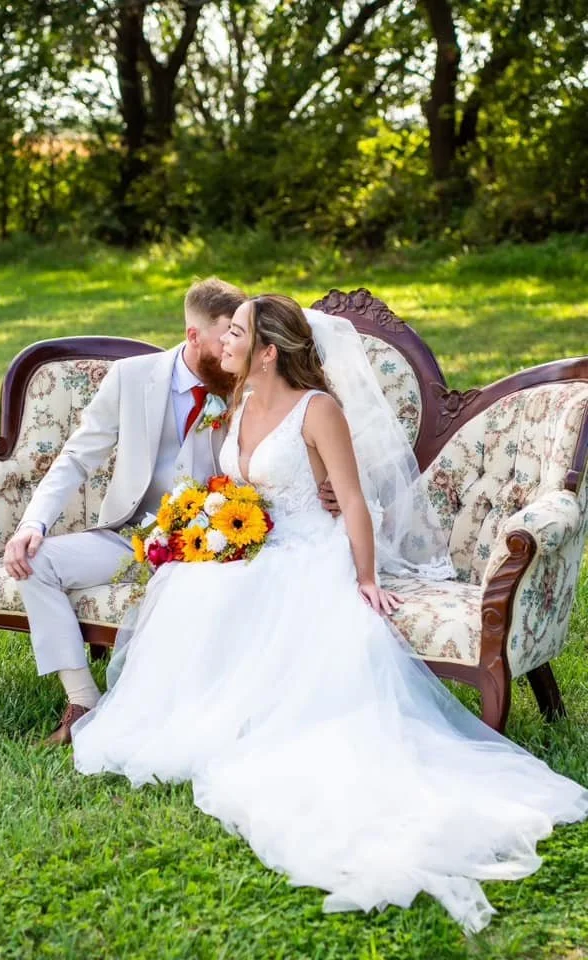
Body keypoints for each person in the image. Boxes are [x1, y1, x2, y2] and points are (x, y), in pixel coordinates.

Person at [72, 294, 588, 933]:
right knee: (192, 584)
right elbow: (241, 489)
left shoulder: (319, 411)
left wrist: (367, 579)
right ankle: (213, 713)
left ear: (267, 352)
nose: (221, 342)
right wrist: (209, 529)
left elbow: (352, 502)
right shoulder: (237, 403)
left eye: (235, 332)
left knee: (234, 597)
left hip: (313, 551)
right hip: (256, 544)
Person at [3, 277, 247, 743]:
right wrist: (33, 523)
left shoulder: (246, 381)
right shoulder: (132, 379)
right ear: (193, 336)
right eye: (225, 340)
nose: (235, 352)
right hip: (130, 536)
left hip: (212, 549)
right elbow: (77, 457)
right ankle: (81, 700)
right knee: (34, 561)